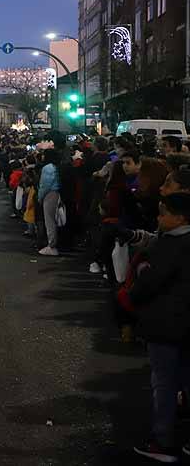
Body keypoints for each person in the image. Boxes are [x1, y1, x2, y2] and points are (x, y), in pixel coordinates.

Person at [118, 194, 190, 462]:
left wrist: (135, 288)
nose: (158, 218)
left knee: (164, 383)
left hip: (165, 325)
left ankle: (162, 441)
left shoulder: (171, 245)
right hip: (185, 325)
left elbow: (148, 283)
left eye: (163, 213)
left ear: (180, 217)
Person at [37, 148, 62, 256]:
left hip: (50, 195)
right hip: (56, 194)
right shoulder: (57, 166)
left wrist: (40, 197)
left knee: (49, 220)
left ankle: (51, 245)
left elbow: (44, 185)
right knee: (54, 220)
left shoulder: (47, 168)